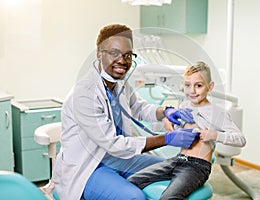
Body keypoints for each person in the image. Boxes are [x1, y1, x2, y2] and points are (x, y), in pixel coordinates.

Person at [50, 24, 199, 200]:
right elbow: (114, 144)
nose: (122, 60)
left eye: (127, 55)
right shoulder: (84, 94)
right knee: (134, 197)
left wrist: (166, 111)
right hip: (90, 167)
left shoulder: (119, 83)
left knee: (175, 168)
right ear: (99, 53)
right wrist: (167, 139)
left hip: (119, 159)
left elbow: (139, 107)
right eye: (114, 53)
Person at [128, 61, 247, 200]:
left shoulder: (217, 113)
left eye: (199, 85)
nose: (192, 91)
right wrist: (168, 123)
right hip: (176, 160)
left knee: (169, 197)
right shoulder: (184, 106)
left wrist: (214, 135)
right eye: (187, 85)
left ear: (210, 86)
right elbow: (174, 129)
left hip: (197, 167)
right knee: (132, 181)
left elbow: (240, 139)